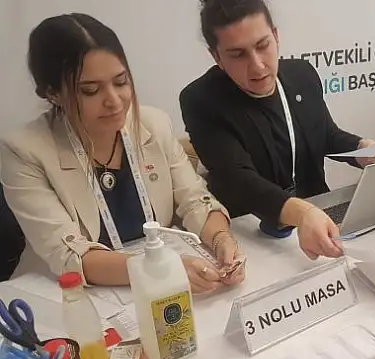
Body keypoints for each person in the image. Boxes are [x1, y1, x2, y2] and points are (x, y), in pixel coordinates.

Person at [0, 14, 245, 294]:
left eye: (120, 82)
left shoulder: (153, 124)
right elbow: (68, 256)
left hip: (152, 291)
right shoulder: (24, 151)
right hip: (65, 296)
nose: (114, 101)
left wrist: (221, 240)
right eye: (90, 90)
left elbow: (195, 200)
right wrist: (158, 270)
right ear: (52, 93)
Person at [180, 0, 375, 260]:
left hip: (318, 217)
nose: (257, 65)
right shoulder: (202, 100)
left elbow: (325, 135)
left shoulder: (301, 75)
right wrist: (301, 213)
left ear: (276, 36)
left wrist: (361, 150)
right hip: (253, 233)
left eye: (262, 45)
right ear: (217, 58)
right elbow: (238, 180)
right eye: (238, 54)